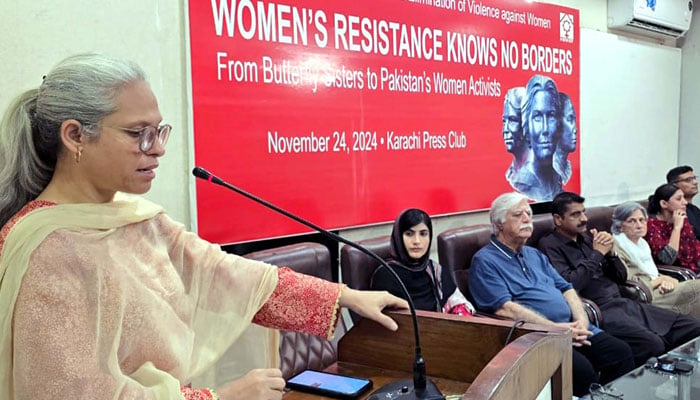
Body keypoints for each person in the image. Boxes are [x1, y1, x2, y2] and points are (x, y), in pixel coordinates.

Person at [0, 53, 409, 400]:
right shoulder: (46, 251)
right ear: (75, 136)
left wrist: (345, 295)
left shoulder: (138, 219)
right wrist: (221, 397)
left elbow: (227, 275)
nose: (157, 148)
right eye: (137, 134)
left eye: (158, 131)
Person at [469, 192, 634, 397]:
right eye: (518, 214)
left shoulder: (534, 254)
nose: (527, 219)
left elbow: (567, 288)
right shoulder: (485, 261)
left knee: (621, 353)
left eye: (528, 214)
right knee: (583, 373)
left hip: (572, 328)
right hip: (537, 337)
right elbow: (504, 308)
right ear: (499, 223)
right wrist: (556, 329)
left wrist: (581, 321)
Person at [539, 191, 700, 367]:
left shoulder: (587, 238)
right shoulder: (550, 245)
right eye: (575, 215)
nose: (584, 218)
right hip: (600, 310)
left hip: (624, 301)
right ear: (558, 219)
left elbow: (621, 277)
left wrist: (611, 253)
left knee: (691, 326)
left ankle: (679, 380)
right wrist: (598, 253)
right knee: (653, 344)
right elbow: (571, 283)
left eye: (584, 212)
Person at [370, 208, 474, 315]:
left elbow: (458, 303)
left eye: (423, 234)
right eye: (409, 234)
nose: (417, 241)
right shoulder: (385, 275)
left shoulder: (434, 270)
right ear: (398, 237)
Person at [612, 201, 700, 319]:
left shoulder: (642, 243)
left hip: (661, 288)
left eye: (642, 220)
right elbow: (631, 290)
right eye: (632, 221)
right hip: (648, 295)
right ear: (620, 226)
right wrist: (660, 280)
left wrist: (668, 280)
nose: (639, 225)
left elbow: (655, 274)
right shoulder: (616, 247)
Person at [510, 75, 563, 201]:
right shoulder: (522, 182)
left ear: (558, 123)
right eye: (537, 117)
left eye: (551, 116)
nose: (545, 129)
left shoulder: (557, 180)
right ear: (527, 126)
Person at [645, 183, 700, 274]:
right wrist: (677, 228)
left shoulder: (682, 219)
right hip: (677, 274)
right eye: (679, 199)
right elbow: (667, 259)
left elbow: (695, 249)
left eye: (684, 198)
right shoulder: (651, 226)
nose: (685, 202)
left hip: (695, 269)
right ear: (664, 204)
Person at [501, 87, 530, 188]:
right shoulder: (510, 174)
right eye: (504, 121)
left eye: (513, 120)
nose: (505, 129)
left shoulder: (536, 178)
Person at [666, 166, 700, 240]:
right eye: (688, 180)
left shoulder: (695, 209)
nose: (695, 182)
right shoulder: (676, 211)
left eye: (694, 178)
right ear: (674, 185)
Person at [553, 92, 576, 185]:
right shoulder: (548, 172)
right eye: (570, 120)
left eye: (574, 120)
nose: (575, 129)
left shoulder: (567, 169)